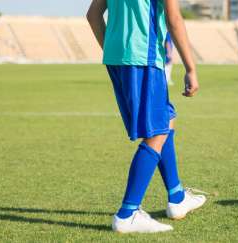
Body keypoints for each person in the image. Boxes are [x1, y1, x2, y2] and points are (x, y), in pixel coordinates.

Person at [86, 0, 206, 233]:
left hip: (118, 57)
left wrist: (114, 49)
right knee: (157, 132)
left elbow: (93, 15)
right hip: (143, 56)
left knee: (167, 118)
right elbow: (174, 19)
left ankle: (177, 197)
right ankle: (128, 214)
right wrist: (191, 68)